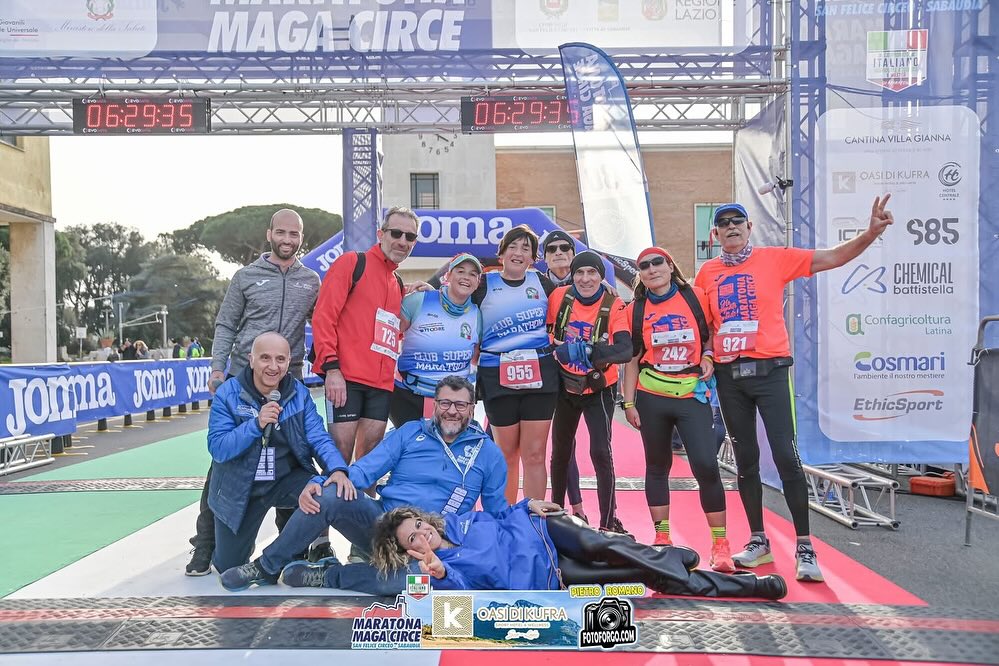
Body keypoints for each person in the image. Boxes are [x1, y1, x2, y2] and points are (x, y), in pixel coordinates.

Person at [693, 195, 894, 582]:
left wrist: (870, 234)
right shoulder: (707, 273)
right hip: (730, 377)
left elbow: (832, 257)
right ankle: (758, 541)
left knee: (786, 456)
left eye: (738, 221)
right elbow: (704, 325)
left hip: (770, 372)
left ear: (749, 228)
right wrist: (704, 355)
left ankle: (805, 546)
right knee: (745, 460)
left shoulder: (775, 258)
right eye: (724, 223)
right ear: (715, 234)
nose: (731, 227)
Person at [218, 375, 508, 593]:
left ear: (472, 408)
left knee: (419, 580)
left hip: (431, 544)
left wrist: (519, 528)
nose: (452, 411)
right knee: (329, 493)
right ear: (435, 405)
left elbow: (496, 514)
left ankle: (327, 576)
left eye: (460, 404)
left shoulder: (489, 454)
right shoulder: (411, 432)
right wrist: (321, 482)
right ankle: (266, 567)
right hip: (383, 526)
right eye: (445, 403)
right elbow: (363, 471)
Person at [185, 208, 322, 576]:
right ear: (269, 234)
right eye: (281, 232)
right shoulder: (245, 277)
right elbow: (226, 323)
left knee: (292, 457)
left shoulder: (311, 280)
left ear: (301, 238)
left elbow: (328, 320)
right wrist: (217, 368)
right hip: (242, 378)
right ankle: (205, 544)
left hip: (289, 379)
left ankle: (290, 544)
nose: (287, 240)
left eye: (294, 234)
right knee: (224, 465)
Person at [368, 500, 788, 600]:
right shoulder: (438, 574)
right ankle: (751, 587)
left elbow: (501, 515)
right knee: (639, 574)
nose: (422, 534)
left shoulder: (459, 520)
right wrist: (441, 573)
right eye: (412, 538)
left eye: (418, 525)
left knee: (598, 541)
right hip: (553, 578)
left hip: (544, 531)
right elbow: (466, 597)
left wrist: (526, 504)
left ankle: (671, 560)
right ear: (407, 553)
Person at [621, 247, 734, 572]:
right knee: (657, 466)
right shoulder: (636, 309)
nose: (652, 269)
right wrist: (628, 403)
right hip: (652, 395)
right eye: (644, 266)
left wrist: (708, 356)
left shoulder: (695, 297)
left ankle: (720, 545)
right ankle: (662, 537)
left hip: (690, 394)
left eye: (658, 262)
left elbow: (709, 334)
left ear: (671, 266)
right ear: (640, 275)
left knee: (706, 466)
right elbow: (632, 360)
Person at [207, 332, 355, 574]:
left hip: (285, 480)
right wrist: (255, 425)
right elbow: (218, 448)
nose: (273, 367)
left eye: (280, 359)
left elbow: (318, 438)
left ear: (289, 363)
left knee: (323, 491)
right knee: (228, 566)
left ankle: (293, 549)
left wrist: (337, 469)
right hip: (242, 487)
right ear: (251, 359)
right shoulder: (228, 393)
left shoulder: (299, 393)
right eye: (265, 358)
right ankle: (214, 544)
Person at [311, 206, 418, 465]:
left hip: (381, 385)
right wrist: (332, 369)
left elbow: (392, 330)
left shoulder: (397, 283)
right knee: (339, 459)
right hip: (346, 378)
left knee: (370, 463)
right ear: (381, 234)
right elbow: (323, 317)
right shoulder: (352, 263)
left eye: (410, 237)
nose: (402, 241)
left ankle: (364, 495)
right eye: (396, 233)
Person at [473, 225, 559, 504]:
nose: (518, 253)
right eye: (513, 246)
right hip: (497, 376)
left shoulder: (543, 284)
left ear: (533, 258)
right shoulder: (483, 284)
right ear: (501, 253)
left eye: (526, 248)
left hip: (540, 377)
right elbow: (452, 298)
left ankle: (532, 520)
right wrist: (426, 288)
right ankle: (506, 517)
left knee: (534, 455)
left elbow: (574, 303)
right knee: (506, 454)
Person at [547, 251, 631, 535]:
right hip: (566, 385)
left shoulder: (613, 303)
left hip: (599, 387)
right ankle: (556, 515)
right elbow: (543, 330)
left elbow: (625, 349)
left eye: (592, 273)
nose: (585, 279)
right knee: (561, 451)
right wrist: (557, 346)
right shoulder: (559, 297)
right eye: (580, 273)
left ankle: (608, 522)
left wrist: (589, 351)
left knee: (600, 452)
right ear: (572, 275)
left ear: (601, 276)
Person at [389, 253, 483, 427]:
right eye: (460, 271)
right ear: (447, 276)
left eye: (472, 274)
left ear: (477, 283)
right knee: (411, 444)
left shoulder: (478, 314)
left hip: (454, 401)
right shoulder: (418, 300)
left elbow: (475, 358)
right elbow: (388, 336)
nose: (466, 277)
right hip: (409, 396)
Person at [539, 230, 589, 522]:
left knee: (570, 443)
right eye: (552, 249)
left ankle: (579, 507)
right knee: (541, 445)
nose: (558, 253)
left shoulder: (589, 281)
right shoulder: (536, 284)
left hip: (579, 374)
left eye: (564, 248)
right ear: (543, 256)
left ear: (573, 253)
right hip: (541, 371)